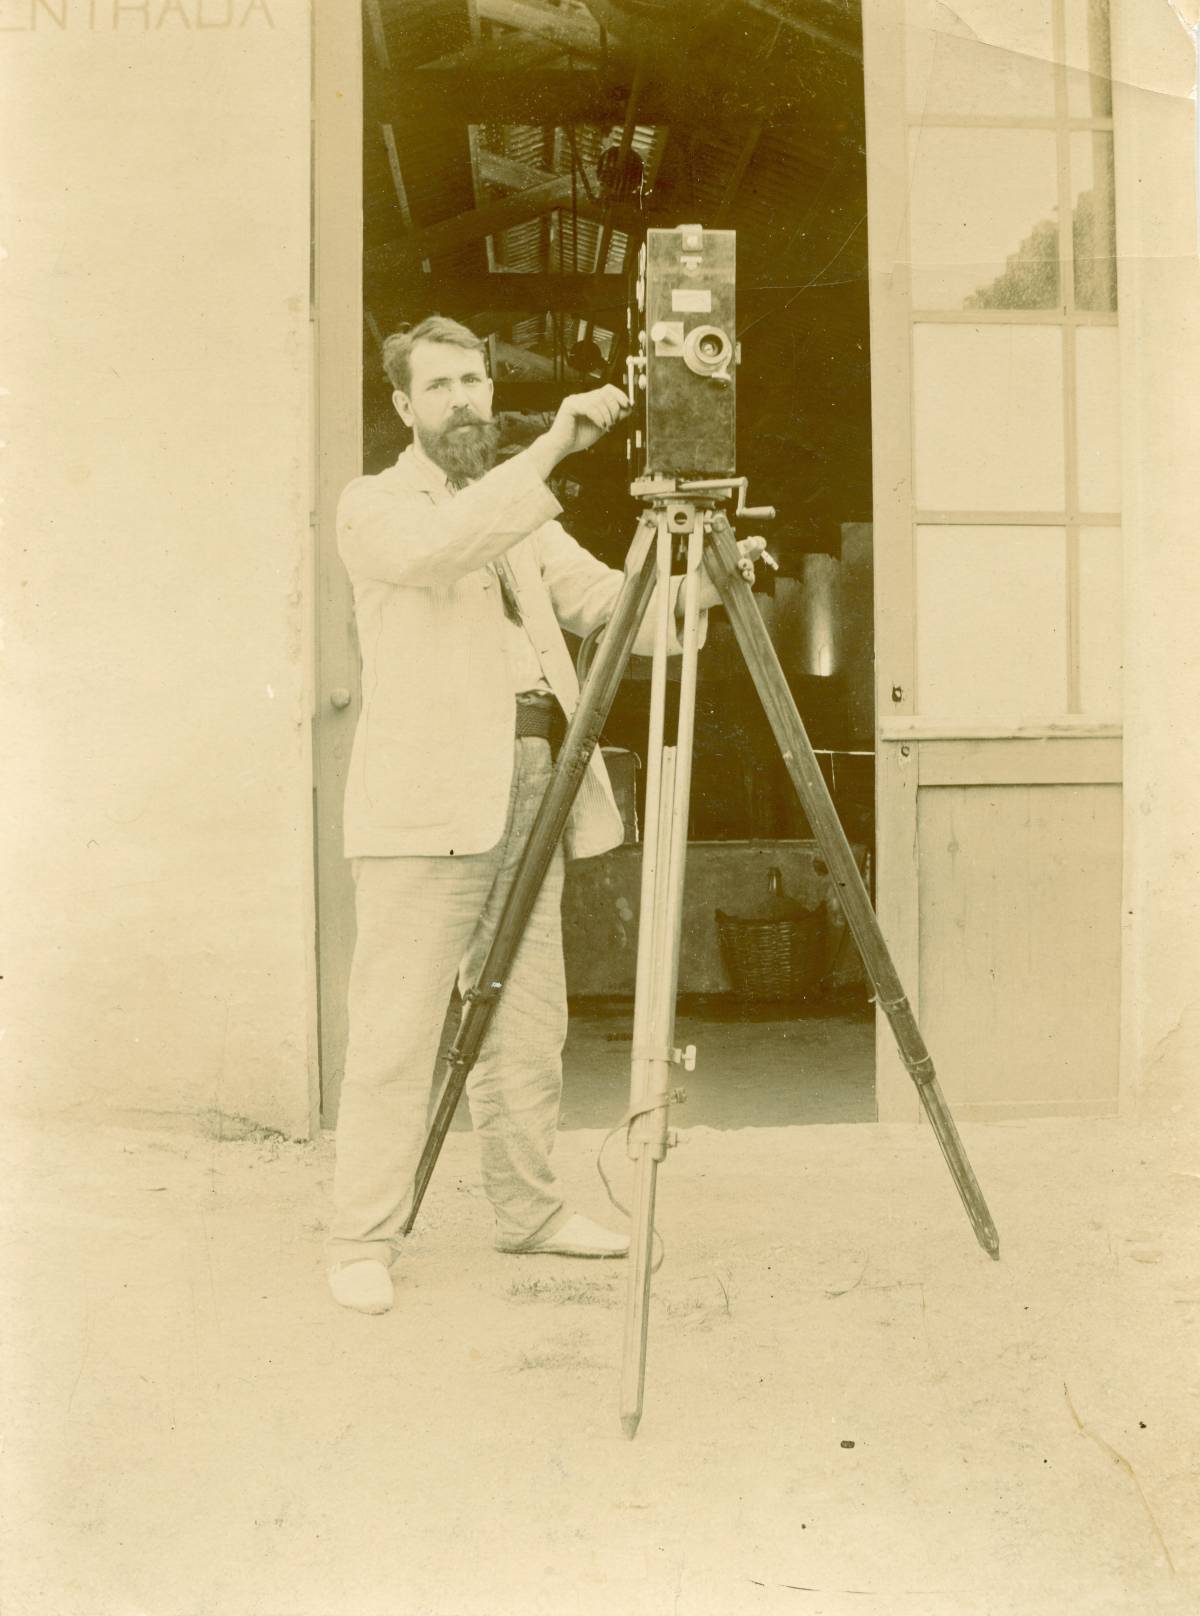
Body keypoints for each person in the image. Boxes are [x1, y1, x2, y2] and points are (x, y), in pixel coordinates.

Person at [328, 315, 763, 1314]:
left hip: (532, 793)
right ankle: (361, 1235)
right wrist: (559, 442)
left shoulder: (518, 515)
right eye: (439, 386)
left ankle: (528, 1209)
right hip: (423, 815)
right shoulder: (376, 507)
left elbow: (613, 605)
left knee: (528, 1027)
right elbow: (446, 547)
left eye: (475, 379)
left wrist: (706, 586)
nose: (464, 401)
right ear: (402, 405)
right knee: (396, 1033)